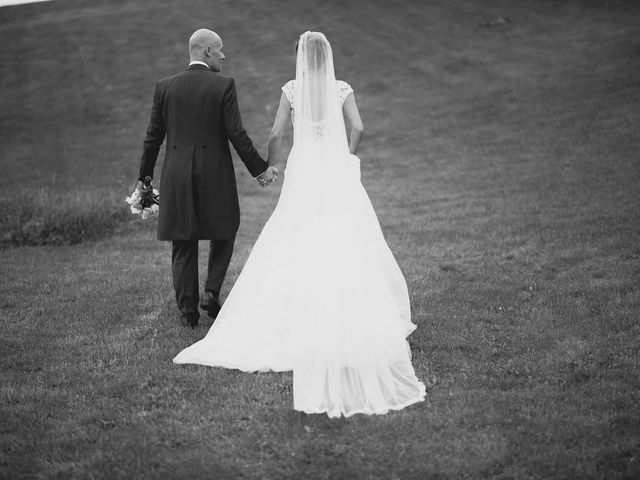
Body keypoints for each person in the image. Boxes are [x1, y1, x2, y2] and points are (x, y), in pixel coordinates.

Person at [174, 31, 425, 418]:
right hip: (334, 173)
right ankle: (347, 311)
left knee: (294, 237)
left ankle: (292, 311)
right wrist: (345, 157)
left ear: (300, 61)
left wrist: (271, 165)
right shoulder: (341, 88)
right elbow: (358, 128)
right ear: (326, 58)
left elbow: (276, 133)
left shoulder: (292, 90)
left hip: (304, 171)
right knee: (345, 239)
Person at [137, 29, 279, 328]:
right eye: (220, 50)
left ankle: (188, 312)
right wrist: (261, 169)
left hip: (176, 172)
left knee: (183, 238)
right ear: (206, 52)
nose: (224, 55)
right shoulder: (223, 85)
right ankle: (211, 293)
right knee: (225, 230)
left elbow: (152, 139)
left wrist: (145, 179)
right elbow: (236, 134)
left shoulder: (165, 87)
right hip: (214, 171)